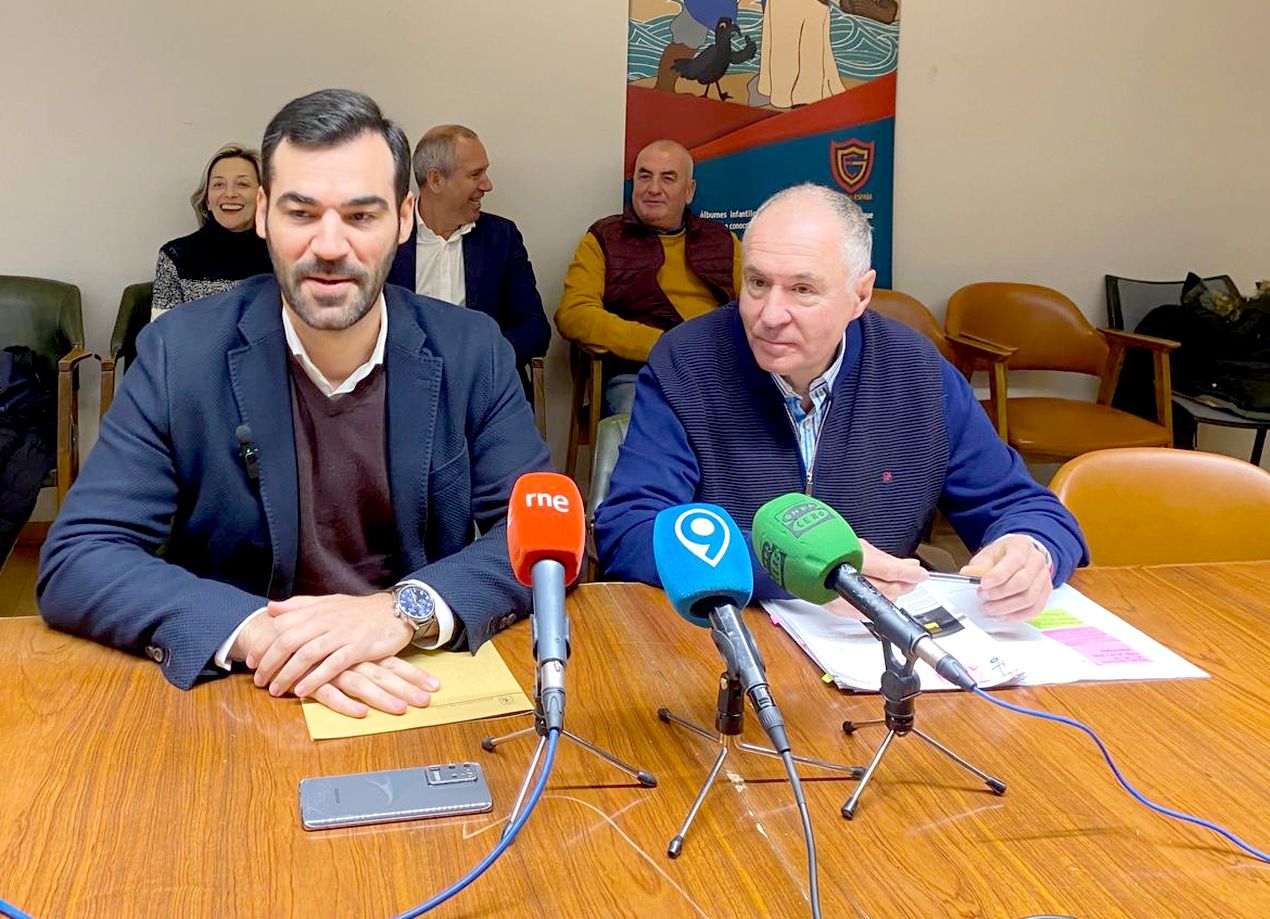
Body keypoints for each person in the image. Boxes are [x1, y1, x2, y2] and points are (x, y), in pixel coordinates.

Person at [39, 89, 551, 718]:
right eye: (301, 213)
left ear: (404, 218)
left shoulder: (473, 349)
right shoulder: (178, 353)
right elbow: (80, 555)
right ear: (262, 216)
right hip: (239, 692)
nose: (329, 246)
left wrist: (404, 610)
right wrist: (262, 634)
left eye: (361, 216)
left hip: (417, 682)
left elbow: (546, 535)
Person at [595, 183, 1087, 621]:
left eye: (803, 289)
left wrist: (1032, 550)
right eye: (757, 283)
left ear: (860, 295)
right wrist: (799, 572)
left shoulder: (918, 372)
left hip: (871, 656)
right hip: (725, 639)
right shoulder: (686, 362)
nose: (769, 315)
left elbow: (1024, 505)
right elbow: (629, 531)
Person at [554, 139, 742, 417]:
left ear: (689, 191)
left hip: (714, 370)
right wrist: (662, 345)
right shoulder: (604, 238)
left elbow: (756, 309)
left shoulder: (723, 240)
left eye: (668, 178)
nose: (654, 189)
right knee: (647, 422)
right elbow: (574, 314)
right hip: (640, 373)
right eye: (645, 176)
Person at [387, 124, 550, 386]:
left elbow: (536, 330)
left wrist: (480, 360)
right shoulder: (387, 238)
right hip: (406, 388)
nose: (488, 185)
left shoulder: (501, 238)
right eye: (476, 174)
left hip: (485, 387)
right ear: (436, 179)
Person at [151, 143, 273, 319]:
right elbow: (161, 338)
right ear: (207, 199)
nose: (230, 193)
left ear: (261, 197)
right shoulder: (175, 256)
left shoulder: (285, 255)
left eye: (242, 184)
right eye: (218, 184)